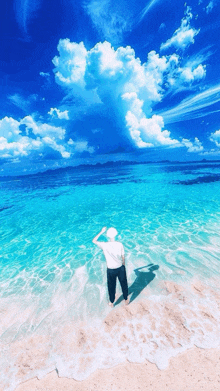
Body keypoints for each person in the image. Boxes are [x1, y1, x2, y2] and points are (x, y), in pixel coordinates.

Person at [92, 227, 129, 308]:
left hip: (111, 270)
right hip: (120, 268)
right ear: (116, 234)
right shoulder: (120, 244)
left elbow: (94, 240)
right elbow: (123, 257)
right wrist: (123, 265)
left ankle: (112, 302)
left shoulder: (104, 245)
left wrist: (101, 231)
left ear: (108, 236)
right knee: (124, 284)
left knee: (111, 287)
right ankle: (126, 299)